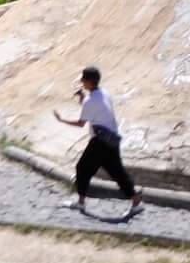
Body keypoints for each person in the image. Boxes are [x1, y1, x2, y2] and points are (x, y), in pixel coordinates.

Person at [53, 66, 141, 218]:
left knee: (82, 168)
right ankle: (136, 201)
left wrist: (62, 120)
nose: (81, 82)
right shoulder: (104, 94)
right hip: (112, 138)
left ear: (89, 81)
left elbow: (81, 123)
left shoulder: (90, 100)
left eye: (83, 79)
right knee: (117, 173)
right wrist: (82, 98)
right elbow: (94, 111)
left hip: (99, 142)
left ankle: (80, 202)